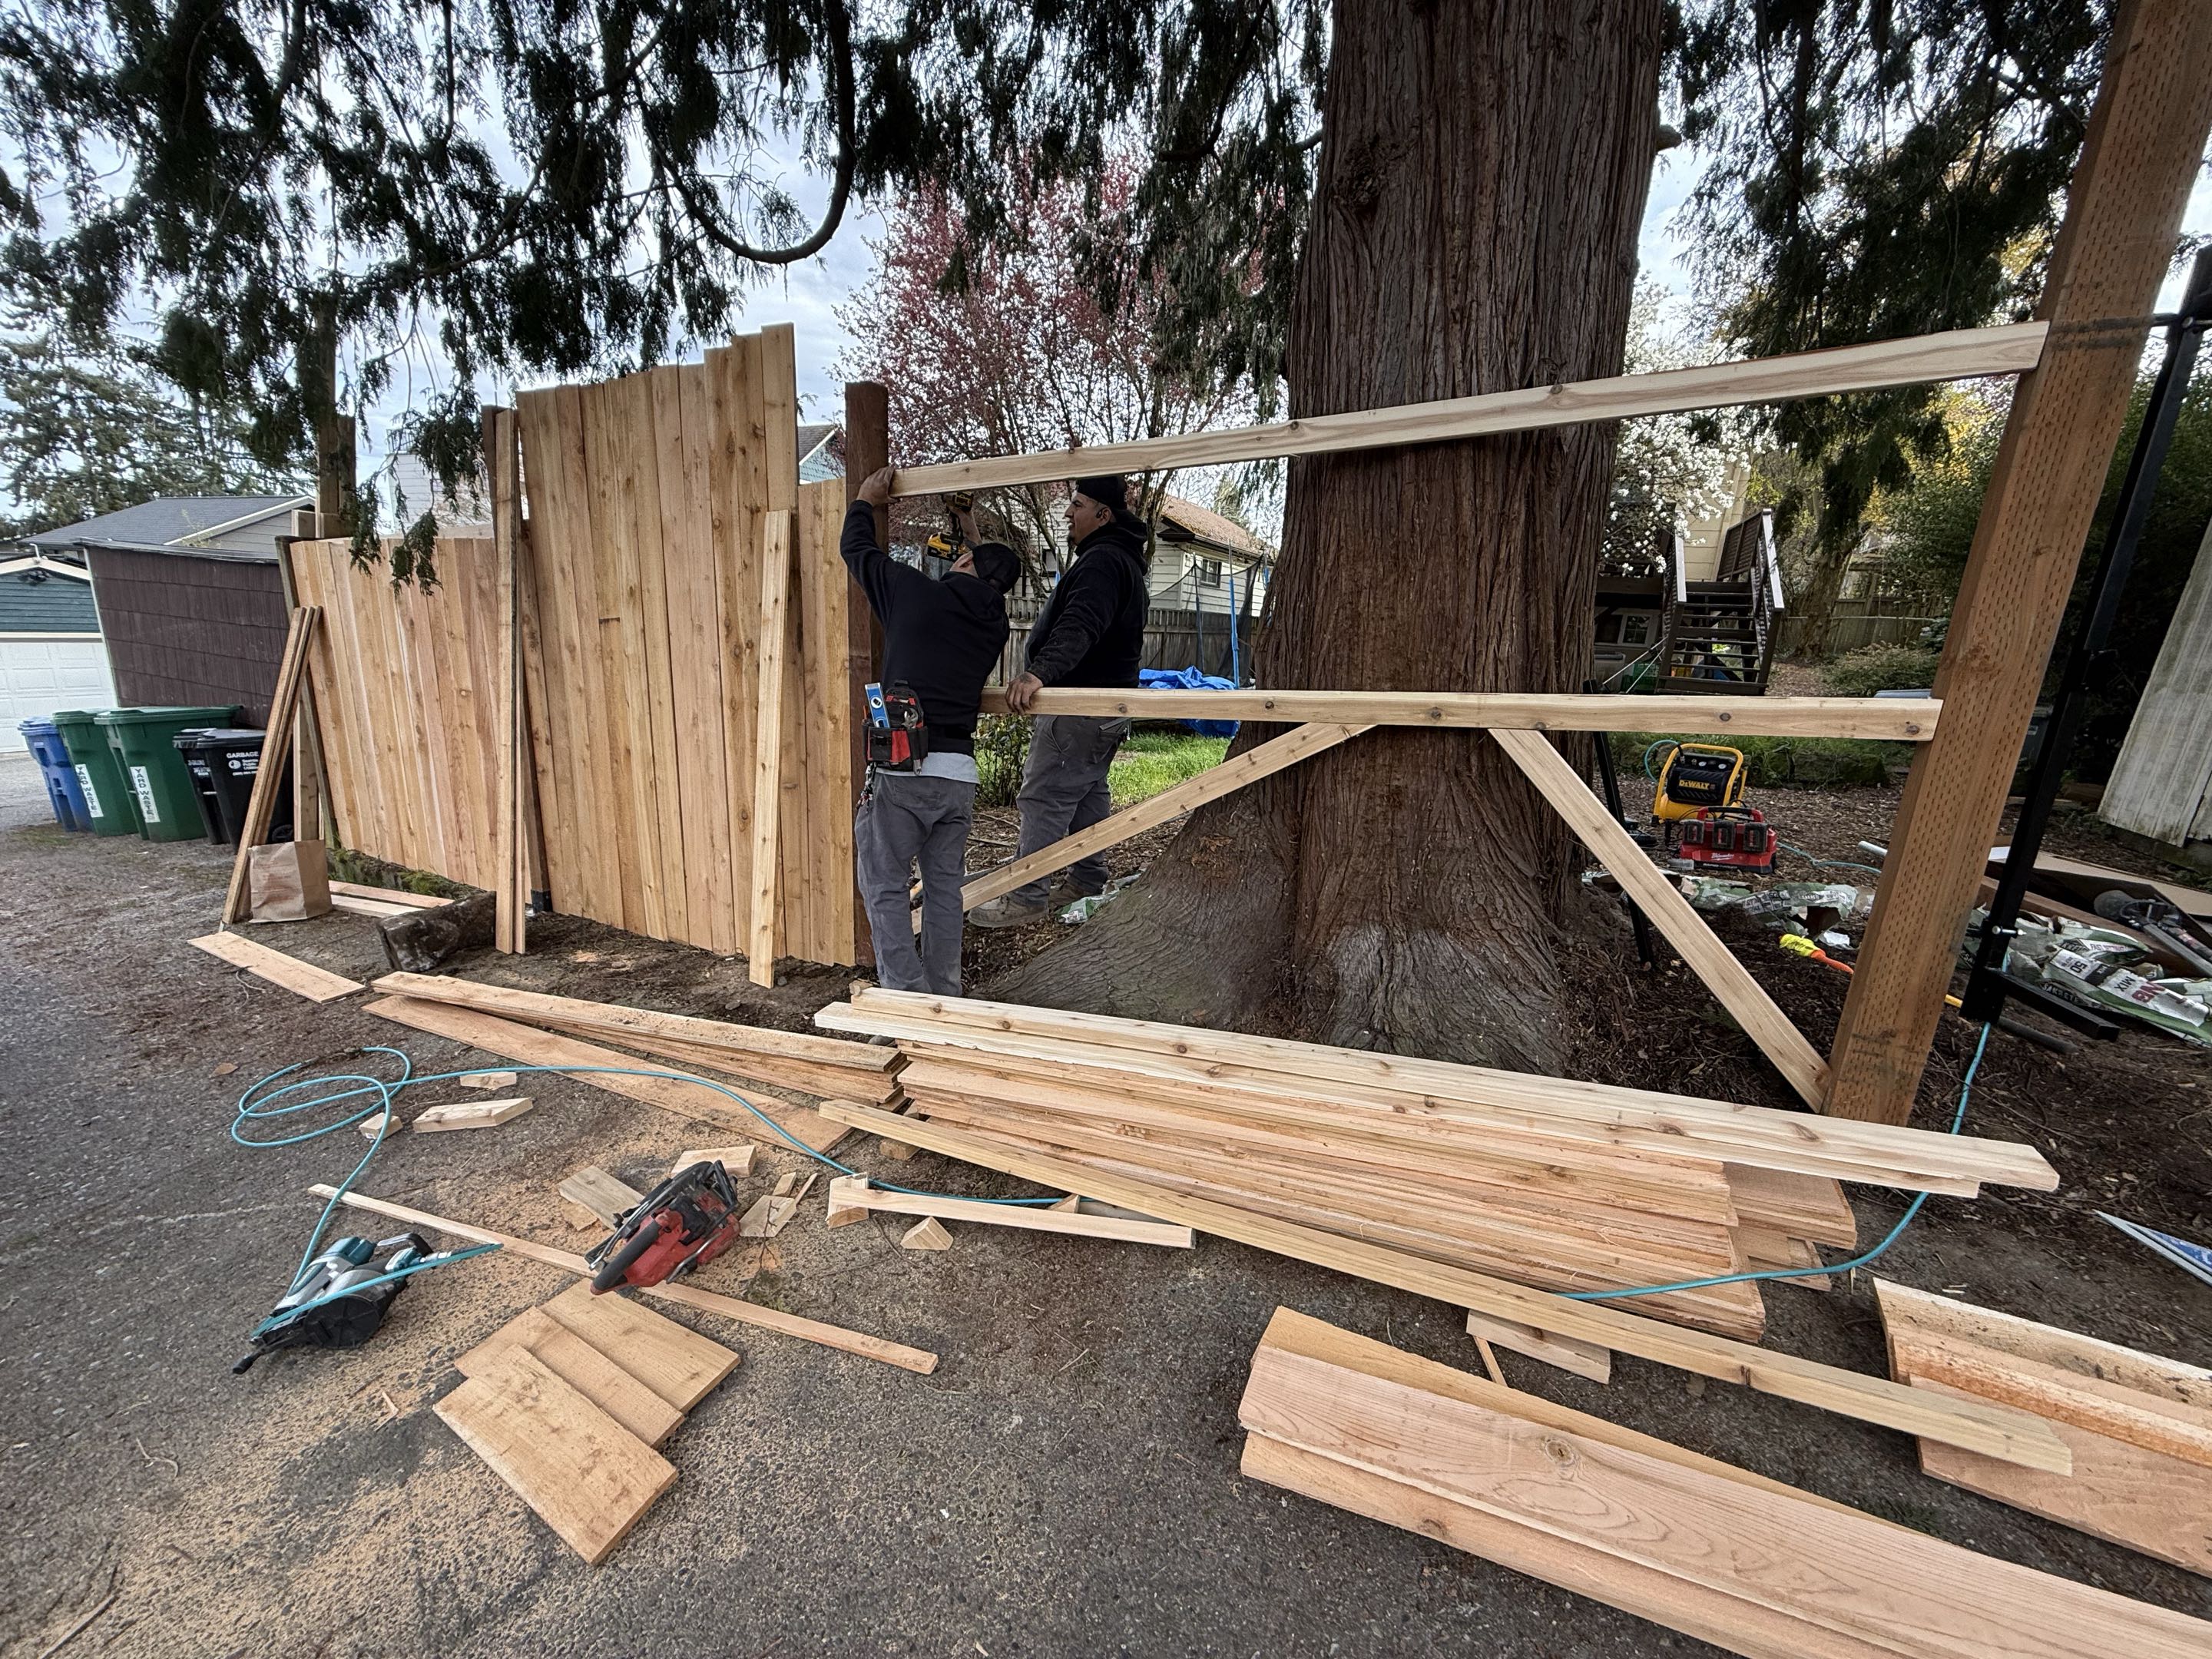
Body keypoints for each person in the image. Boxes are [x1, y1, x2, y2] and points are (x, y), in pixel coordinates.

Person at [843, 466, 1021, 994]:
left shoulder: (912, 592)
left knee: (884, 885)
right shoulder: (995, 625)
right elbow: (985, 576)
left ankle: (904, 996)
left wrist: (864, 500)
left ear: (962, 562)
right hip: (958, 778)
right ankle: (945, 992)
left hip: (903, 772)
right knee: (945, 889)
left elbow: (857, 550)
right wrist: (970, 528)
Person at [971, 473, 1151, 929]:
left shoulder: (1102, 564)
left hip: (1078, 707)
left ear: (1103, 515)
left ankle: (1027, 896)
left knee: (1044, 796)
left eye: (1078, 505)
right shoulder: (1120, 561)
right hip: (1105, 710)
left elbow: (1080, 626)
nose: (1068, 513)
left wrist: (1038, 672)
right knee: (1088, 792)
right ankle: (1089, 877)